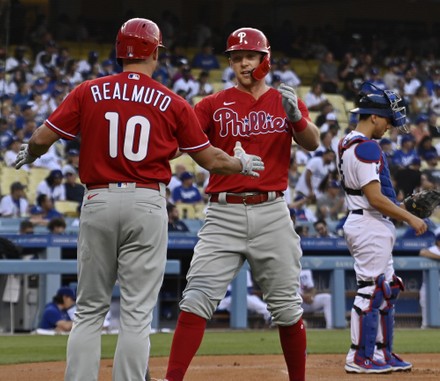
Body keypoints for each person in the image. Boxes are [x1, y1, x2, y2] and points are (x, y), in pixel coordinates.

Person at [14, 18, 263, 381]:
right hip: (146, 202)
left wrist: (32, 154)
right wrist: (241, 163)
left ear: (120, 50)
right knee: (135, 313)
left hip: (98, 199)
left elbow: (42, 136)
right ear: (153, 52)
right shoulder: (172, 101)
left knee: (88, 310)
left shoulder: (88, 90)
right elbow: (211, 159)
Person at [162, 27, 320, 381]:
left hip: (272, 210)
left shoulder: (284, 99)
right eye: (237, 57)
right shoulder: (212, 104)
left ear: (265, 60)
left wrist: (296, 116)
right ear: (230, 62)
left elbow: (312, 142)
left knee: (287, 307)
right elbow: (176, 146)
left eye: (251, 55)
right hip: (223, 212)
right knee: (196, 298)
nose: (244, 62)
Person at [337, 81, 427, 374]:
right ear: (373, 116)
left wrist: (402, 207)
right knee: (372, 292)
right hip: (368, 223)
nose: (389, 125)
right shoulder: (366, 148)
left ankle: (380, 353)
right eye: (387, 118)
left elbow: (373, 195)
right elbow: (375, 198)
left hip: (370, 221)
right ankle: (358, 357)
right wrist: (409, 217)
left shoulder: (349, 142)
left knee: (387, 290)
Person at [418, 233, 440, 329]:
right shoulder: (432, 250)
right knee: (426, 311)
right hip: (428, 286)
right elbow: (422, 252)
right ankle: (426, 327)